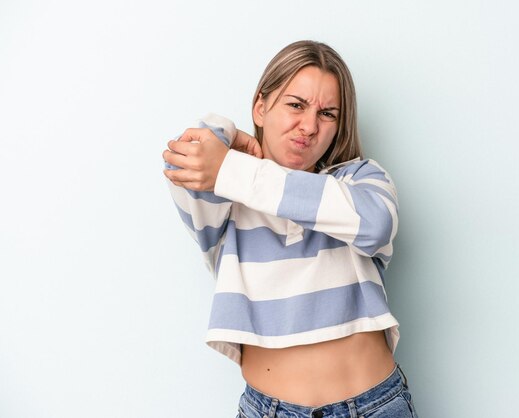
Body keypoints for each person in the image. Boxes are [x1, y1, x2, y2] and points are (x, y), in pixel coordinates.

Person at [163, 40, 417, 418]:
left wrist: (234, 169)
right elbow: (192, 152)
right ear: (261, 107)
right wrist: (232, 139)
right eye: (296, 105)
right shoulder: (227, 202)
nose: (310, 126)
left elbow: (376, 225)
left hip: (375, 406)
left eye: (328, 114)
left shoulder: (358, 180)